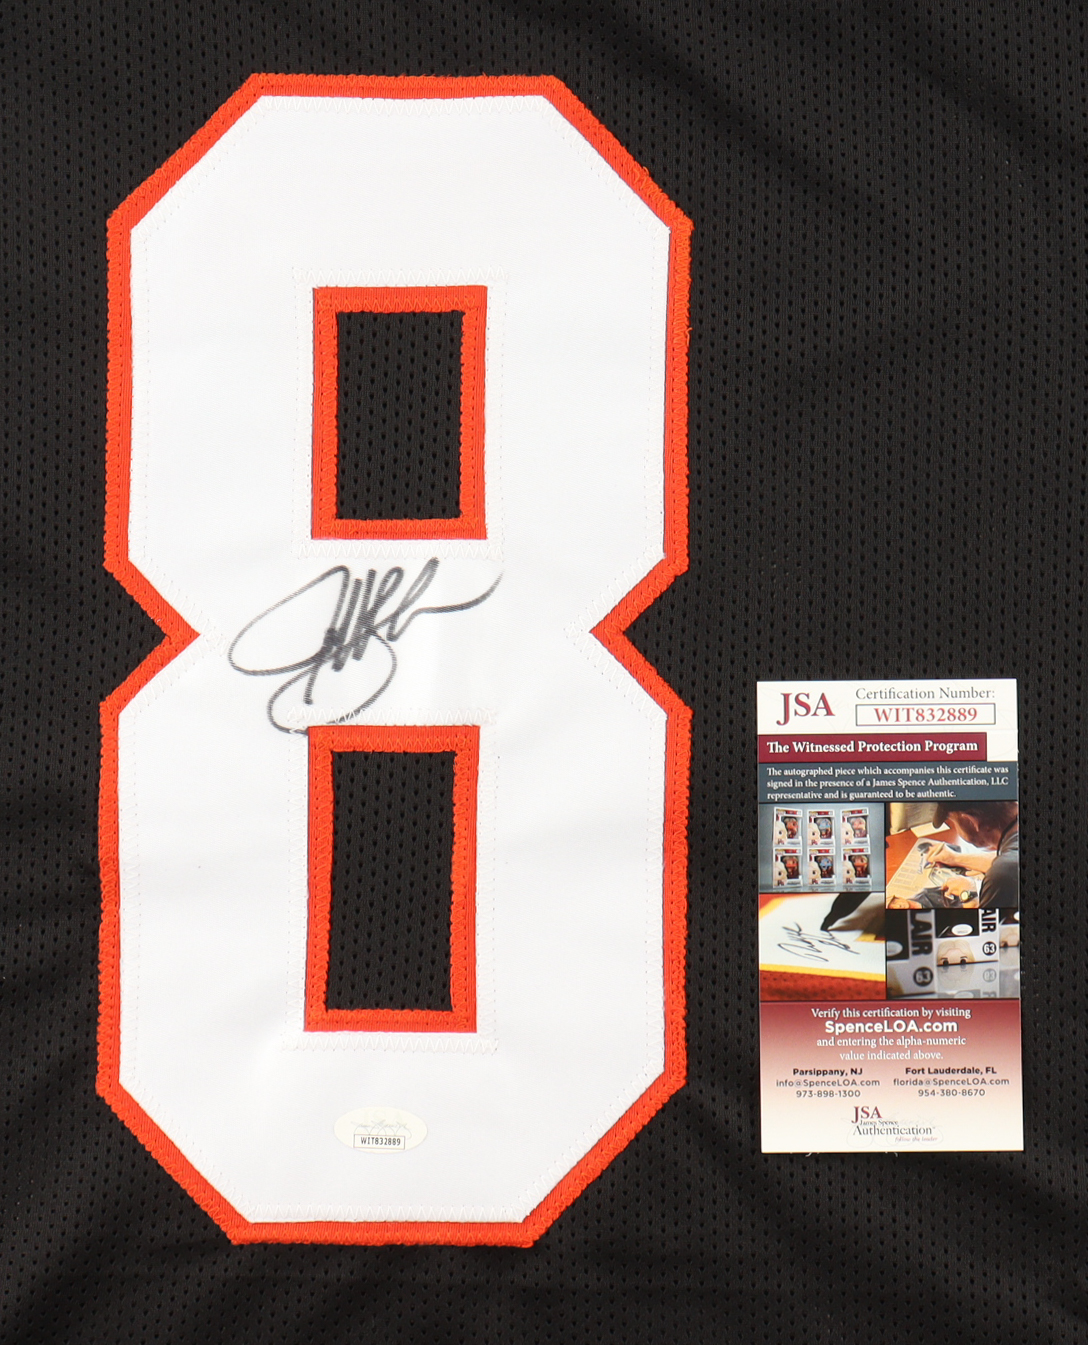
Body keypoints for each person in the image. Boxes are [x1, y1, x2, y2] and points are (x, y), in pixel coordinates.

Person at [923, 801, 1019, 907]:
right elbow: (1006, 860)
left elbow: (987, 918)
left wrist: (969, 895)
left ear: (971, 821)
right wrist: (955, 858)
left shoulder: (1001, 876)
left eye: (954, 822)